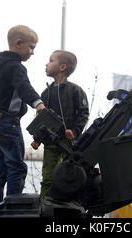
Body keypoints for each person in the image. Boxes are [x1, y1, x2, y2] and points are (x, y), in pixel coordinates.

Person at [0, 25, 45, 206]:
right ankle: (13, 206)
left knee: (0, 168)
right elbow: (23, 87)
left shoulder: (0, 67)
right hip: (8, 123)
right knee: (17, 167)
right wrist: (38, 103)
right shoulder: (16, 67)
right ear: (19, 44)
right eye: (31, 47)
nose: (33, 52)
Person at [32, 50, 89, 199]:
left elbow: (83, 114)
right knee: (48, 178)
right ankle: (44, 207)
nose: (47, 63)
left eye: (50, 61)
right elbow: (41, 119)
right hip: (50, 142)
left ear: (62, 67)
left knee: (70, 177)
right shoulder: (45, 93)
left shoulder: (76, 91)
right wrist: (37, 138)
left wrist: (75, 131)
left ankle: (69, 207)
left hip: (69, 144)